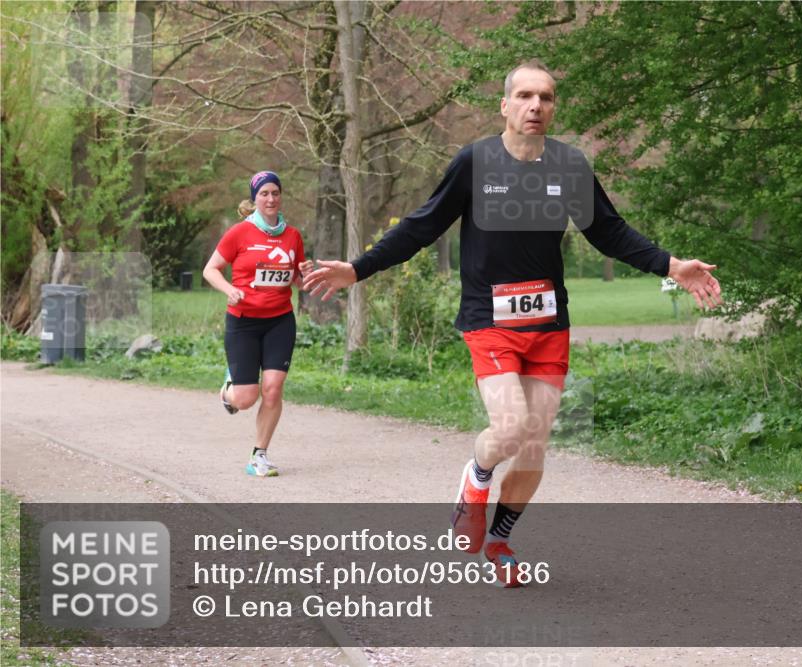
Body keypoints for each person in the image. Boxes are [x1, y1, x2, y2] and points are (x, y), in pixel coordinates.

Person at [303, 60, 722, 585]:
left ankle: (499, 540)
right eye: (524, 96)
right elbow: (423, 225)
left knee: (534, 446)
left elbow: (610, 233)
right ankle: (475, 480)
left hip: (548, 322)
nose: (535, 106)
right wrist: (358, 268)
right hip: (490, 318)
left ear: (553, 107)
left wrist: (672, 265)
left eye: (545, 97)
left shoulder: (569, 167)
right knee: (510, 427)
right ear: (504, 105)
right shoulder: (475, 161)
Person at [202, 170, 311, 477]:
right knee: (246, 398)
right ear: (255, 199)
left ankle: (259, 456)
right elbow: (210, 270)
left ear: (281, 196)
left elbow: (299, 282)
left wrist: (304, 272)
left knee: (273, 389)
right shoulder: (239, 233)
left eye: (275, 192)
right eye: (264, 194)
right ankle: (228, 390)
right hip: (243, 323)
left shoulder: (293, 236)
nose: (271, 198)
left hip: (279, 321)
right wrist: (229, 290)